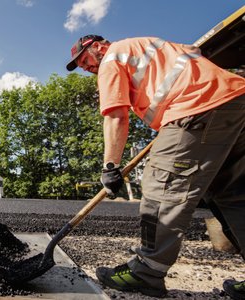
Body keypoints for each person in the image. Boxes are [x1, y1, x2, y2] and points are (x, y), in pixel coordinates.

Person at [66, 34, 244, 298]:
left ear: (97, 47)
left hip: (194, 110)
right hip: (236, 100)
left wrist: (110, 166)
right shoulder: (149, 44)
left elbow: (116, 116)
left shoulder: (111, 59)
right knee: (234, 196)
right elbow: (195, 52)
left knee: (162, 187)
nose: (84, 67)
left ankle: (146, 273)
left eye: (83, 59)